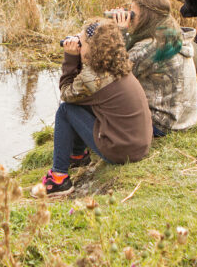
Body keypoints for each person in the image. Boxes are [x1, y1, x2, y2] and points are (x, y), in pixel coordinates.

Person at [37, 18, 153, 197]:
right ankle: (77, 155)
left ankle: (59, 179)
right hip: (138, 144)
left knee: (65, 110)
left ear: (93, 49)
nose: (78, 45)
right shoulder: (116, 63)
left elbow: (67, 93)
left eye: (81, 43)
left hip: (121, 151)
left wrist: (70, 58)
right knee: (81, 106)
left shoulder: (93, 78)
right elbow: (83, 95)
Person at [106, 0, 197, 136]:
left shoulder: (151, 47)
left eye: (133, 13)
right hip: (183, 118)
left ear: (146, 17)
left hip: (161, 124)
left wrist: (119, 33)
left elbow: (112, 76)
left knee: (97, 99)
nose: (130, 17)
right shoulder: (171, 35)